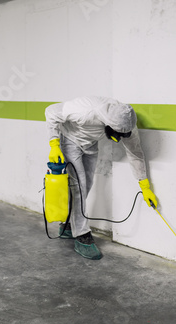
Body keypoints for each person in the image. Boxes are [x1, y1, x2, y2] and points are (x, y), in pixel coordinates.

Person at [45, 96, 158, 260]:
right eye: (117, 134)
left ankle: (69, 226)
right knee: (78, 187)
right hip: (70, 140)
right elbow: (51, 111)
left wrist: (145, 186)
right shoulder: (86, 110)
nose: (119, 138)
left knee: (87, 185)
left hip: (90, 144)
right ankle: (82, 236)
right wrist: (54, 145)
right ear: (109, 124)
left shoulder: (126, 121)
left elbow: (135, 154)